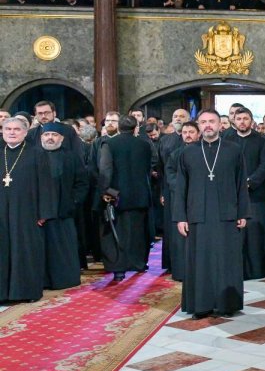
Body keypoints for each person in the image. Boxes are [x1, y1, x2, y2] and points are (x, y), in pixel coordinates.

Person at [173, 110, 248, 318]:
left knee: (226, 259)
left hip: (227, 215)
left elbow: (241, 183)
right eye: (204, 122)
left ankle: (227, 304)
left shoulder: (233, 150)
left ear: (220, 125)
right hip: (197, 216)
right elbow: (180, 188)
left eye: (212, 122)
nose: (208, 125)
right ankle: (201, 305)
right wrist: (180, 217)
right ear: (198, 125)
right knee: (200, 260)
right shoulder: (188, 152)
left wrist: (243, 212)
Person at [0, 116, 54, 304]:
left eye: (16, 129)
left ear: (25, 133)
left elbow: (46, 186)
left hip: (27, 213)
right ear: (3, 132)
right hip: (1, 213)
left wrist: (44, 213)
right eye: (8, 129)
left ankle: (26, 291)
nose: (12, 133)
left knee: (25, 250)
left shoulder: (37, 154)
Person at [97, 115, 152, 281]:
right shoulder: (144, 144)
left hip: (117, 195)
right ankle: (138, 263)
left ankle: (119, 269)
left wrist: (105, 191)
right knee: (138, 231)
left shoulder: (110, 143)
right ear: (136, 128)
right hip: (140, 194)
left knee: (118, 232)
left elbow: (105, 169)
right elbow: (149, 167)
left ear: (119, 128)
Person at [228, 107, 265, 278]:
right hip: (232, 196)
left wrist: (249, 182)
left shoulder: (261, 141)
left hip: (255, 195)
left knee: (256, 235)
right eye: (239, 119)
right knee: (235, 235)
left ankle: (258, 270)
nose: (242, 122)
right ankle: (236, 269)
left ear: (251, 121)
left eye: (245, 118)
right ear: (234, 121)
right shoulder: (227, 139)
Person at [41, 124, 88, 290]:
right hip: (39, 214)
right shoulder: (34, 156)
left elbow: (82, 183)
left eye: (54, 134)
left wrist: (73, 202)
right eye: (46, 134)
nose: (50, 138)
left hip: (64, 211)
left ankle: (65, 279)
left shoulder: (72, 157)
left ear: (61, 138)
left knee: (64, 247)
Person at [164, 121, 199, 282]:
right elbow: (169, 173)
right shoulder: (176, 153)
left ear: (198, 134)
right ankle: (180, 271)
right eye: (185, 132)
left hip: (198, 200)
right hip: (179, 199)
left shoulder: (203, 152)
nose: (188, 135)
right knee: (179, 236)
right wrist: (181, 186)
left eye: (191, 132)